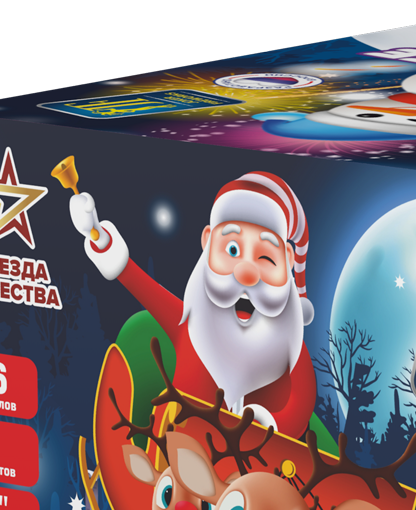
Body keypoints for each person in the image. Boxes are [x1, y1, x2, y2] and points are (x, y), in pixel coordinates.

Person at [70, 171, 317, 437]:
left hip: (261, 459)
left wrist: (272, 423)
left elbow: (302, 403)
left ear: (287, 259)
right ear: (208, 241)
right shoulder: (192, 323)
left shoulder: (288, 345)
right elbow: (131, 276)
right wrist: (100, 238)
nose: (247, 274)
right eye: (232, 250)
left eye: (266, 258)